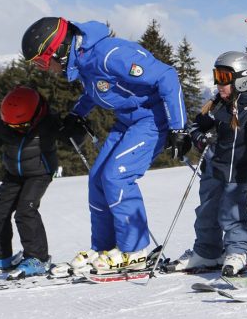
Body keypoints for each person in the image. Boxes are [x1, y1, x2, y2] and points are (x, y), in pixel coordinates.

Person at [21, 17, 190, 274]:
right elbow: (95, 90)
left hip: (153, 119)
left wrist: (179, 127)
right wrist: (77, 114)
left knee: (117, 177)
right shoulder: (84, 61)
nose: (46, 69)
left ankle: (135, 253)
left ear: (60, 49)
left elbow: (167, 76)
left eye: (44, 61)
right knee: (98, 178)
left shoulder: (110, 55)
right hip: (128, 121)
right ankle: (104, 248)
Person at [167, 51, 247, 277]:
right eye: (216, 76)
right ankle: (207, 251)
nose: (218, 83)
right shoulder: (217, 105)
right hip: (213, 167)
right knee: (207, 211)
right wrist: (201, 139)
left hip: (240, 168)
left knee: (232, 210)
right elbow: (195, 127)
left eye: (223, 77)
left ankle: (238, 250)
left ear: (243, 79)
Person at [0, 86, 62, 279]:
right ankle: (0, 256)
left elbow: (72, 137)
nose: (15, 130)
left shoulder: (49, 123)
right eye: (11, 126)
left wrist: (75, 128)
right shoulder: (5, 125)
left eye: (21, 126)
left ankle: (38, 259)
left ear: (36, 115)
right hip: (13, 174)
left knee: (25, 211)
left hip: (40, 173)